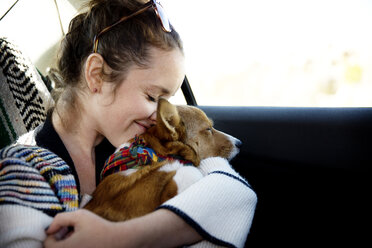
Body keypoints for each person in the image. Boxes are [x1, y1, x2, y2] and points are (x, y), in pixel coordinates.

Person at [0, 0, 257, 247]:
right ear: (97, 75)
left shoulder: (140, 146)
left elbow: (237, 193)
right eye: (153, 97)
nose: (161, 115)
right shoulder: (25, 166)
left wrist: (123, 237)